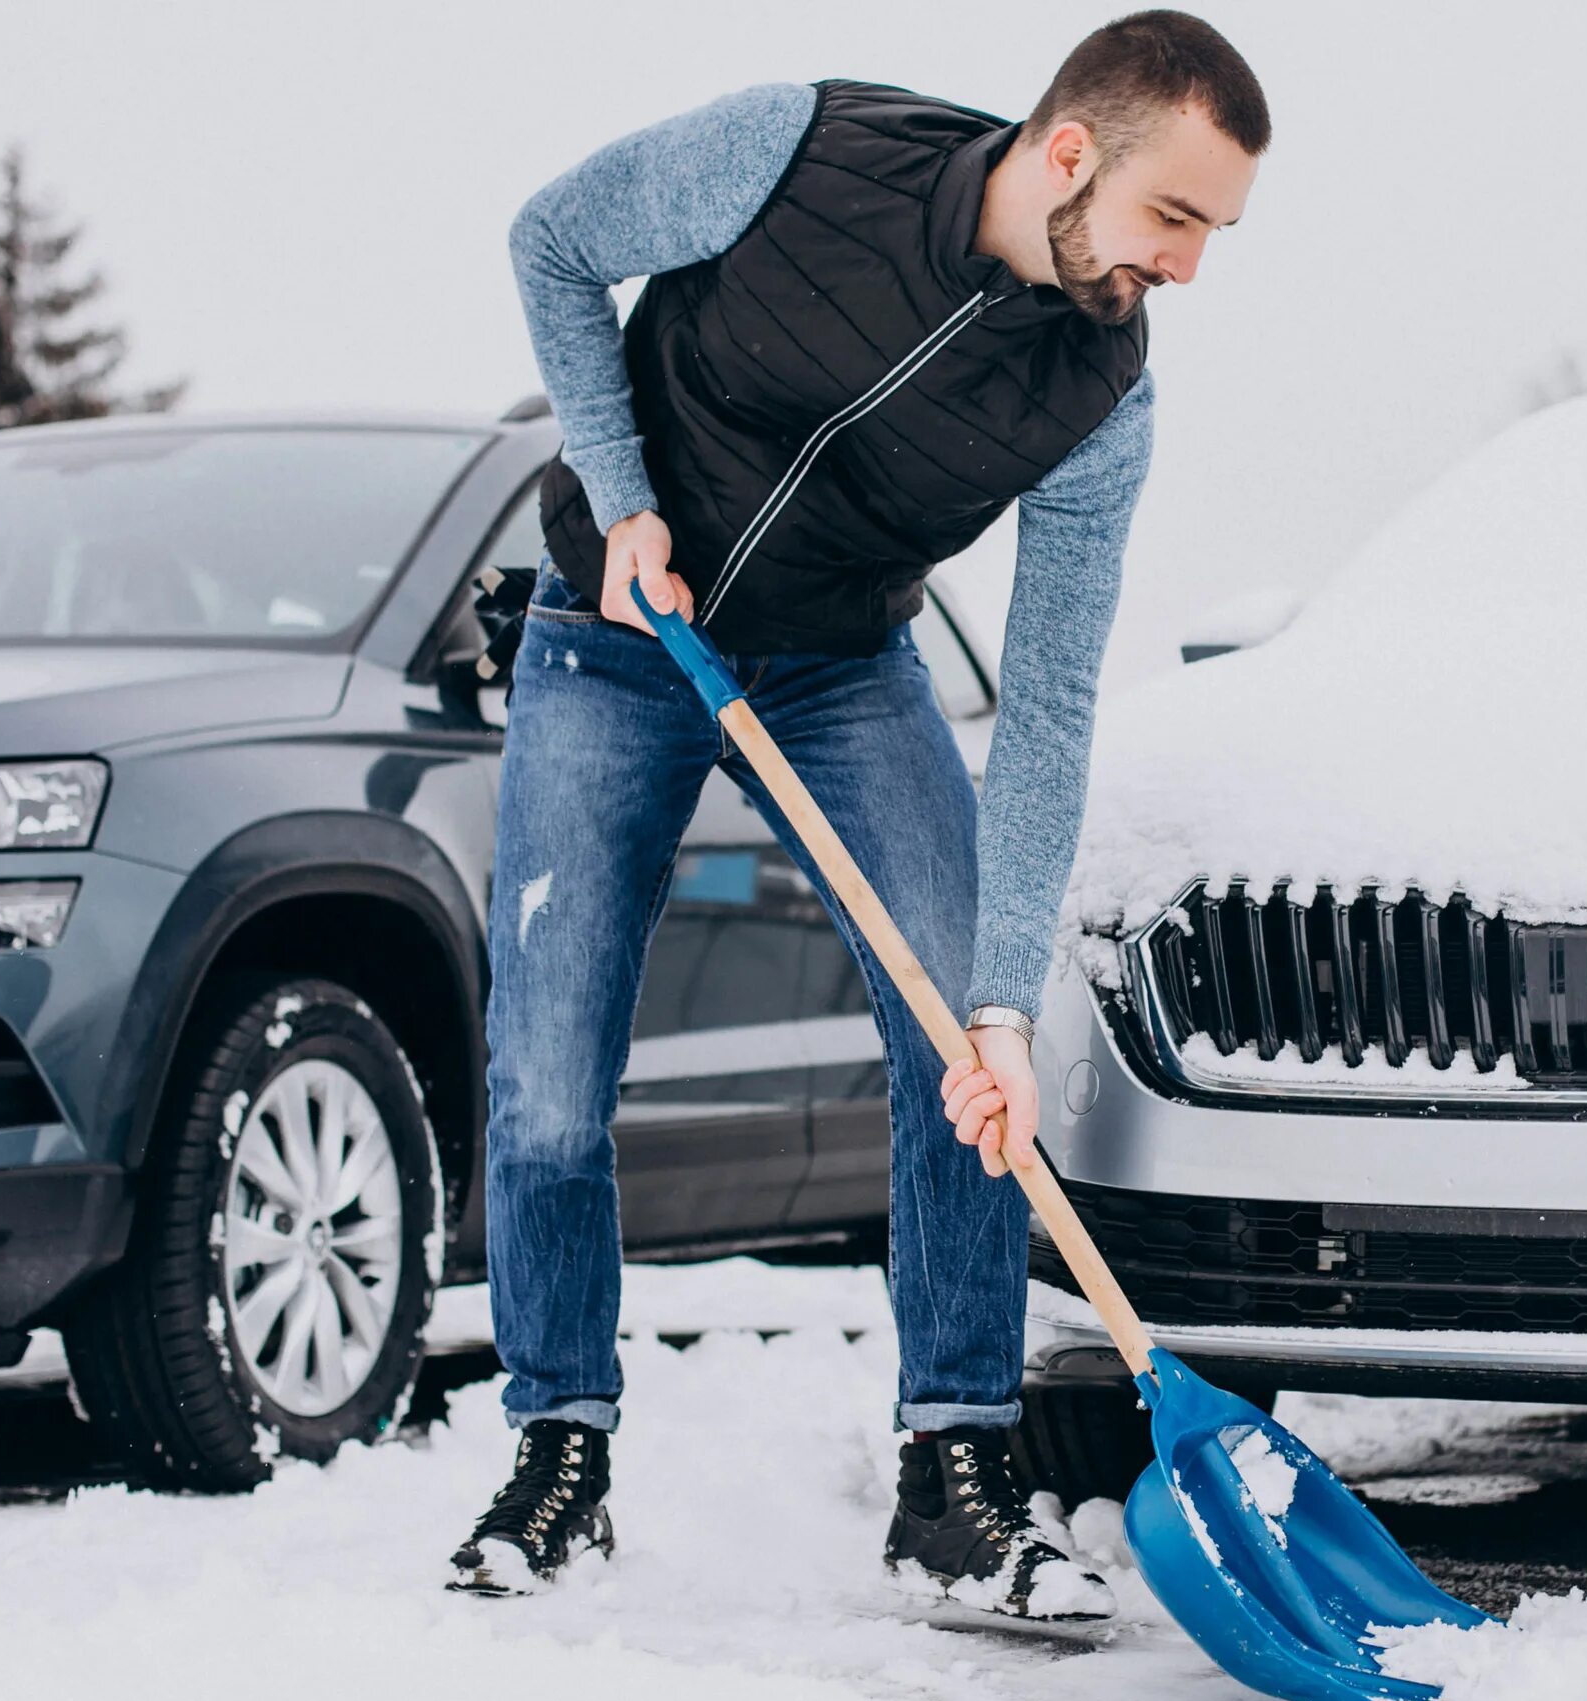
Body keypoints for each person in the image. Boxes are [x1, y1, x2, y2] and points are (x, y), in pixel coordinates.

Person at [446, 13, 1268, 1616]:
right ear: (1070, 153)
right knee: (549, 1077)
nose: (1187, 269)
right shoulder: (801, 148)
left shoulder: (1101, 394)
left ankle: (955, 1474)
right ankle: (558, 1455)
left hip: (839, 666)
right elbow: (553, 243)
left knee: (965, 1059)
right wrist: (622, 500)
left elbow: (1043, 714)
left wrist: (1006, 1001)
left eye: (1217, 235)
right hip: (614, 637)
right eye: (1178, 218)